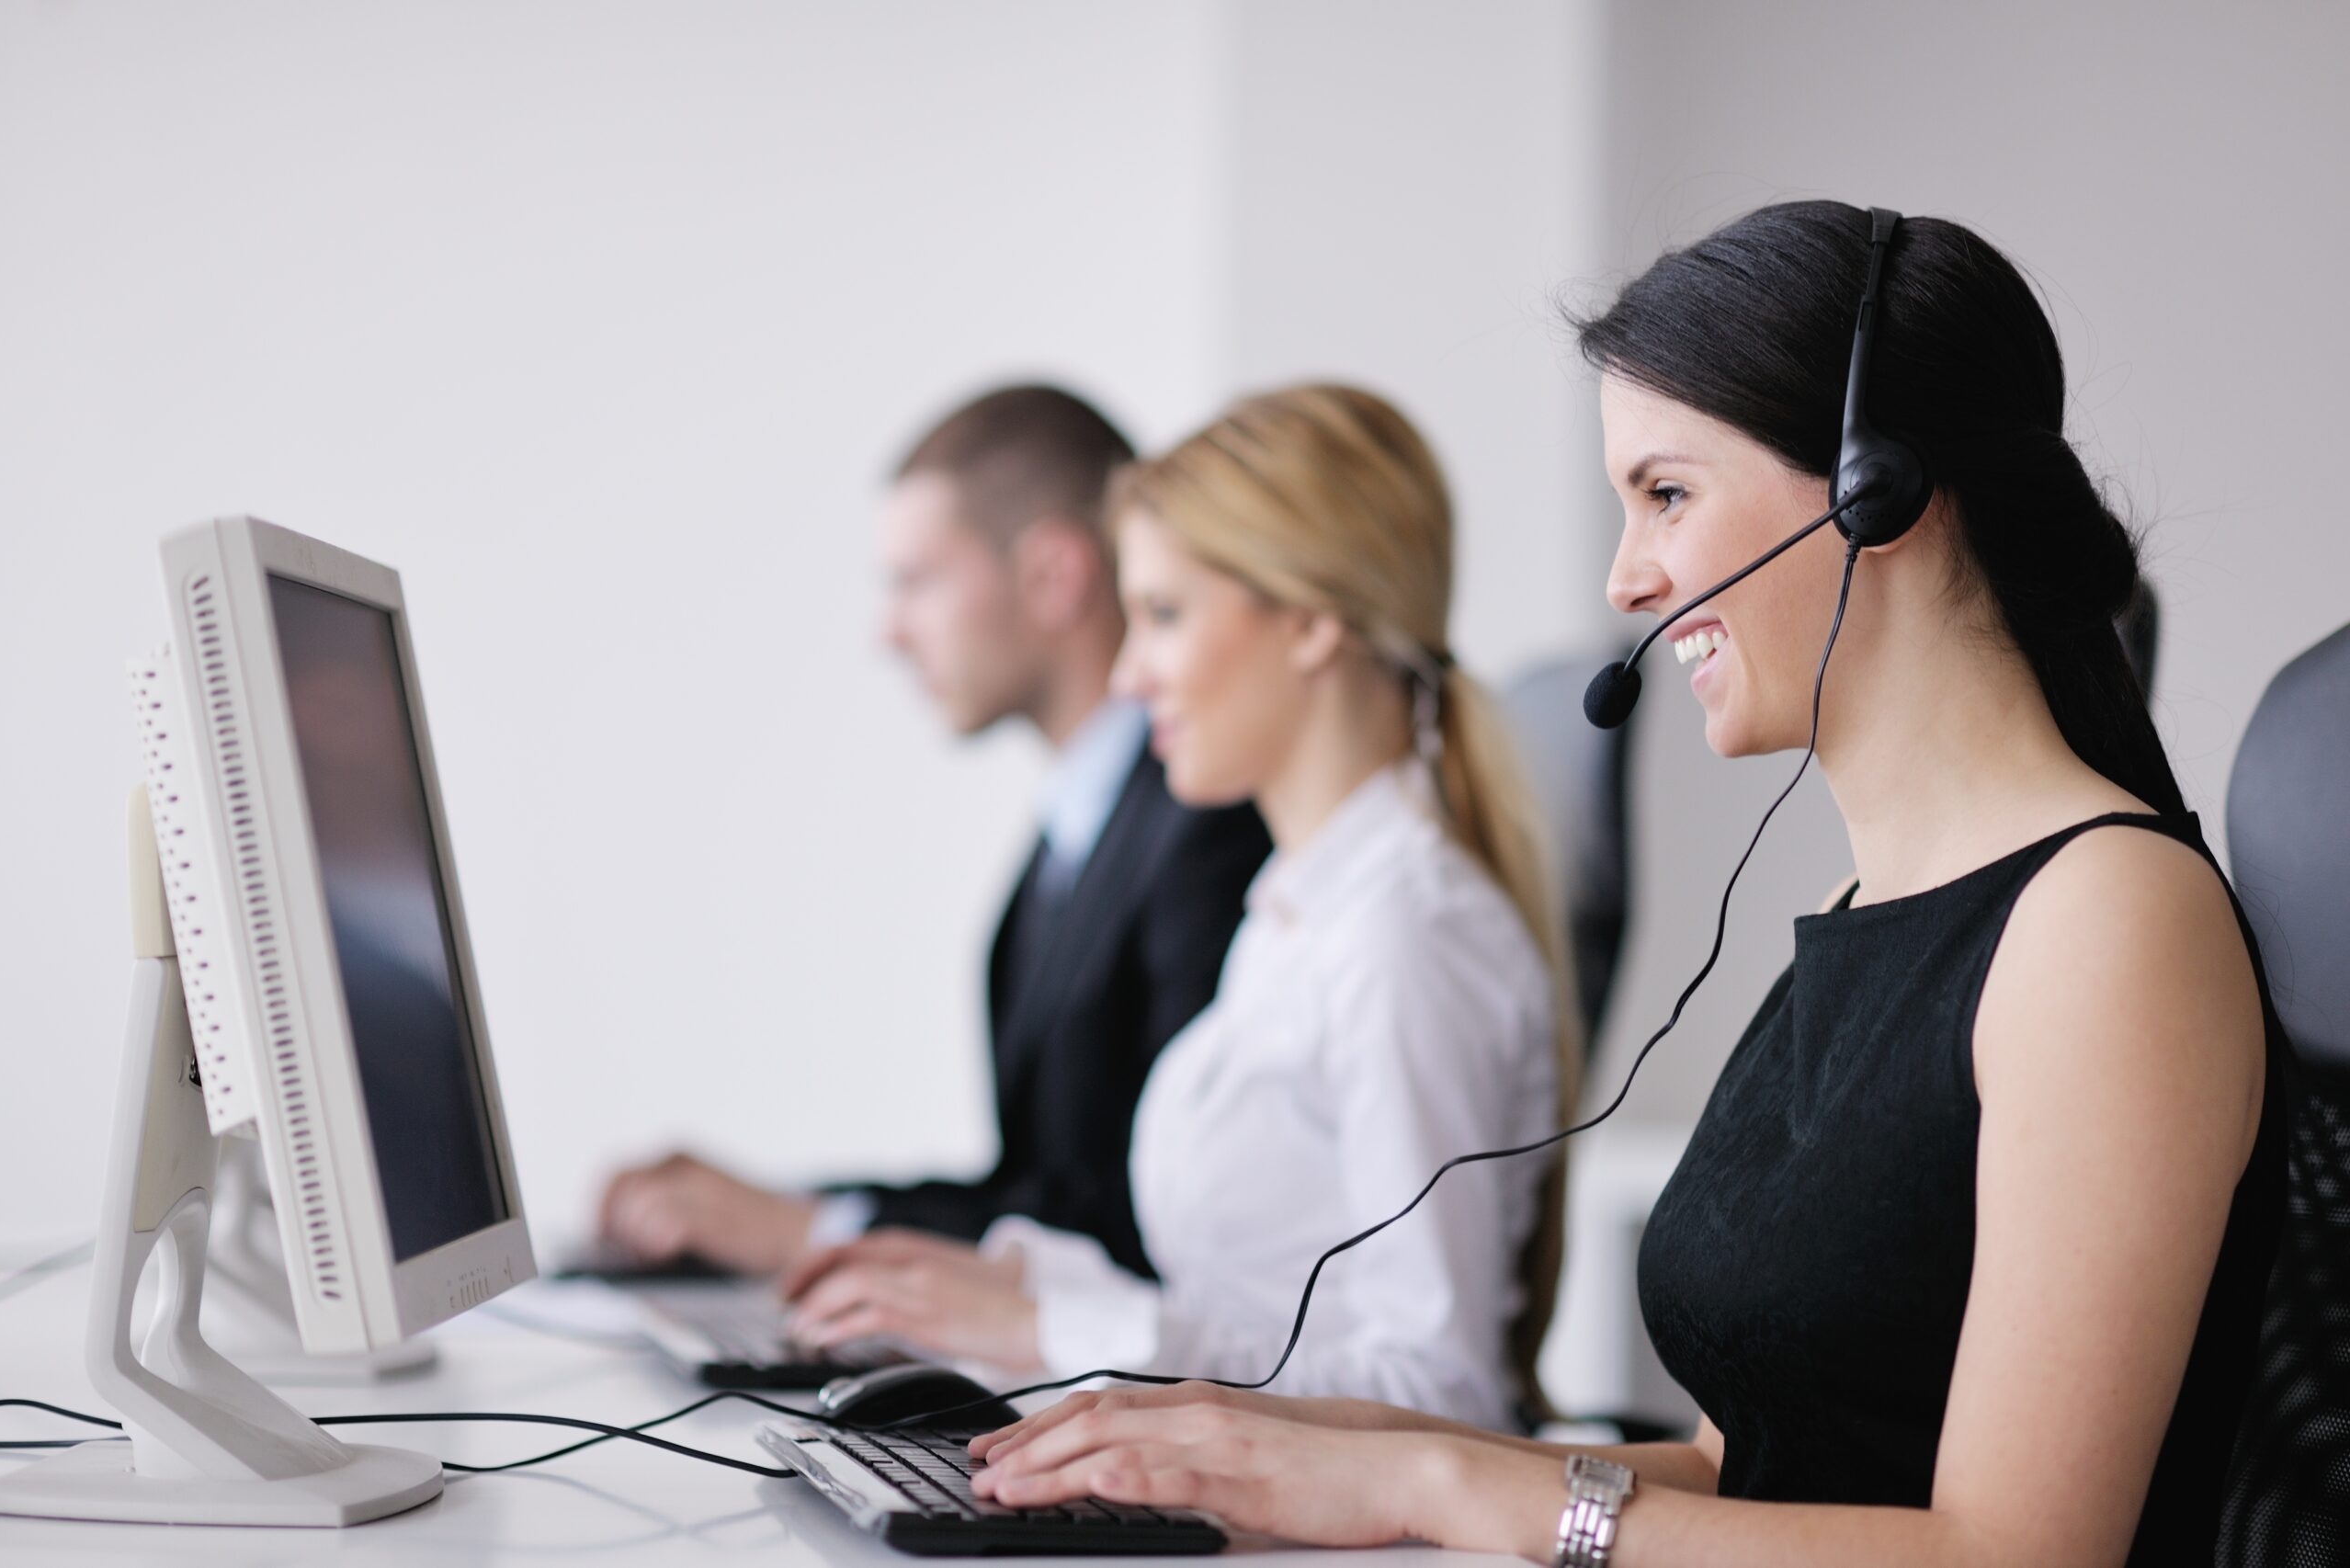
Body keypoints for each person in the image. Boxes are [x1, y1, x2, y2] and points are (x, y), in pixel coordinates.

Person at [956, 205, 2288, 1568]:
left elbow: (2014, 1553)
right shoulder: (1854, 912)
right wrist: (1297, 1447)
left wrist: (1446, 1487)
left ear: (1868, 486)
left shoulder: (2110, 923)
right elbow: (1741, 1465)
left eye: (1667, 493)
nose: (1626, 578)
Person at [781, 384, 1583, 1431]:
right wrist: (1012, 1293)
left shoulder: (1403, 933)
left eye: (1162, 614)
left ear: (1307, 620)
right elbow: (1256, 1309)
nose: (1127, 671)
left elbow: (1442, 1391)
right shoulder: (1299, 905)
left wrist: (1064, 1330)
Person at [597, 385, 1270, 1279]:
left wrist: (814, 1232)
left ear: (1051, 574)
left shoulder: (1208, 830)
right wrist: (776, 1208)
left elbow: (1147, 1225)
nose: (889, 631)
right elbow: (1031, 1184)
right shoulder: (1076, 831)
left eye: (917, 580)